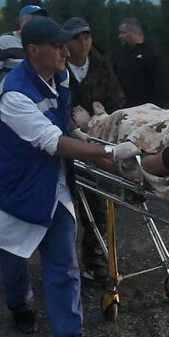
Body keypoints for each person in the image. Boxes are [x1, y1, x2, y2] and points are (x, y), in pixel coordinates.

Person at [0, 16, 138, 337]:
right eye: (59, 45)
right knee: (14, 263)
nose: (67, 51)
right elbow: (52, 142)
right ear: (34, 51)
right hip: (17, 190)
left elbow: (62, 126)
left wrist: (90, 138)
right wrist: (109, 151)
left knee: (64, 265)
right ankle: (20, 306)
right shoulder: (15, 94)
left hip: (52, 185)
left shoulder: (57, 77)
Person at [62, 16, 125, 284]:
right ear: (66, 41)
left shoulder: (100, 64)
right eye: (77, 37)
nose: (84, 42)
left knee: (97, 206)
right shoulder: (58, 67)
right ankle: (61, 262)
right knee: (64, 210)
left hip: (99, 142)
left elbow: (117, 99)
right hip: (65, 145)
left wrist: (99, 122)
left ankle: (94, 261)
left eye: (87, 36)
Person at [0, 4, 49, 120]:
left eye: (40, 20)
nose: (36, 23)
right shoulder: (2, 43)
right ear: (20, 22)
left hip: (38, 110)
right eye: (32, 19)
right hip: (8, 110)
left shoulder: (45, 45)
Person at [112, 17, 169, 108]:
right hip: (124, 111)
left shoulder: (152, 54)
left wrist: (156, 110)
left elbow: (160, 87)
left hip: (146, 112)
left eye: (123, 32)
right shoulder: (120, 55)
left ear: (134, 32)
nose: (120, 36)